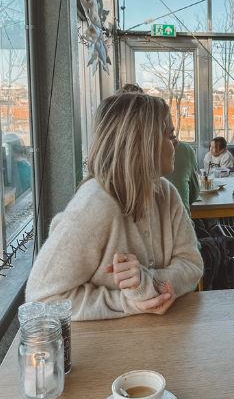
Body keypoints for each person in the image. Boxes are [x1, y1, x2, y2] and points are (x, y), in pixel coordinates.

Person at [26, 93, 204, 320]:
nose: (177, 143)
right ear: (144, 145)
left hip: (164, 341)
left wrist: (147, 286)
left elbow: (191, 263)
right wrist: (129, 301)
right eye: (170, 135)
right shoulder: (93, 207)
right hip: (103, 350)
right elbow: (40, 300)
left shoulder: (167, 193)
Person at [164, 139, 200, 213]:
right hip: (182, 221)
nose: (177, 143)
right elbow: (193, 195)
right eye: (170, 136)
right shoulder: (184, 149)